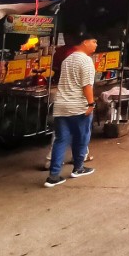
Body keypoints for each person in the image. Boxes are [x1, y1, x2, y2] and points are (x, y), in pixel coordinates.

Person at [45, 34, 97, 188]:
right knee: (81, 137)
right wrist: (91, 104)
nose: (96, 45)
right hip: (78, 106)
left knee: (60, 140)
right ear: (85, 42)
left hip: (61, 105)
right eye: (94, 42)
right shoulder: (86, 61)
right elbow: (86, 85)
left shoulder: (67, 59)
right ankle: (78, 168)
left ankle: (53, 176)